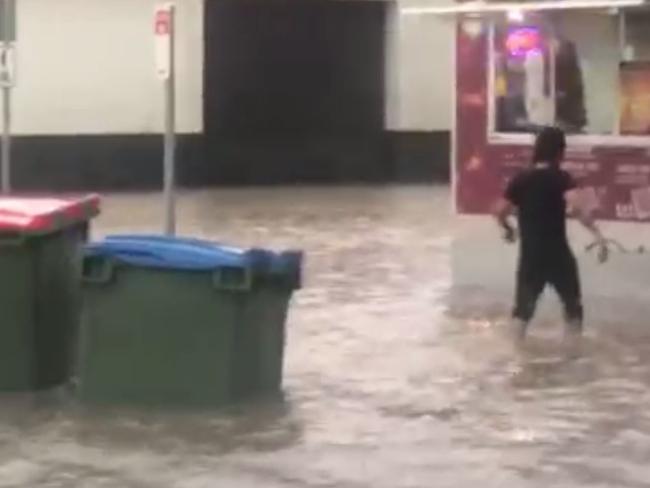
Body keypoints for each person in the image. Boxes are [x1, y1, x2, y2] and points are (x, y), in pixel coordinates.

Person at [493, 126, 607, 341]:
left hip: (530, 257)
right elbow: (577, 208)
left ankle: (516, 359)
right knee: (573, 308)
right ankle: (573, 355)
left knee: (522, 314)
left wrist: (509, 229)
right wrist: (598, 237)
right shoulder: (562, 178)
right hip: (558, 255)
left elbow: (499, 211)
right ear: (559, 152)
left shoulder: (521, 179)